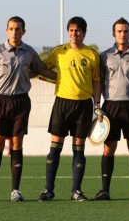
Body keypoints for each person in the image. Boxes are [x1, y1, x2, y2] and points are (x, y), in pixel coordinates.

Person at [0, 16, 56, 202]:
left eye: (18, 29)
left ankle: (15, 190)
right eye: (11, 28)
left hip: (21, 103)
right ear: (7, 31)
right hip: (0, 102)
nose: (15, 32)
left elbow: (40, 70)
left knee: (16, 144)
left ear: (24, 31)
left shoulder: (29, 52)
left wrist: (65, 77)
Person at [38, 16, 101, 201]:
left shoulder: (91, 54)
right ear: (68, 32)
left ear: (84, 33)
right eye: (72, 30)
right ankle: (48, 190)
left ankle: (76, 191)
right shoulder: (59, 52)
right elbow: (43, 69)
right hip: (62, 103)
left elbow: (97, 81)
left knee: (79, 149)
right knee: (55, 148)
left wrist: (97, 104)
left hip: (84, 105)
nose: (75, 34)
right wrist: (57, 79)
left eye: (78, 31)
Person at [92, 17, 129, 201]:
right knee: (109, 149)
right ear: (113, 33)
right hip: (110, 107)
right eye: (119, 31)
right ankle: (105, 190)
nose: (122, 34)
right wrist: (97, 105)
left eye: (125, 31)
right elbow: (99, 81)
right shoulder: (104, 56)